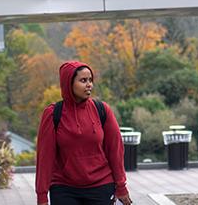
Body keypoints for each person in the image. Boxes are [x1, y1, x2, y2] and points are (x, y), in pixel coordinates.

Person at [35, 61, 132, 205]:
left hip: (101, 186)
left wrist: (121, 186)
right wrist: (42, 196)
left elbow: (115, 151)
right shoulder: (53, 114)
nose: (89, 85)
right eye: (83, 80)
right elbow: (45, 157)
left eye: (90, 80)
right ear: (69, 83)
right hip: (64, 188)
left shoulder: (102, 110)